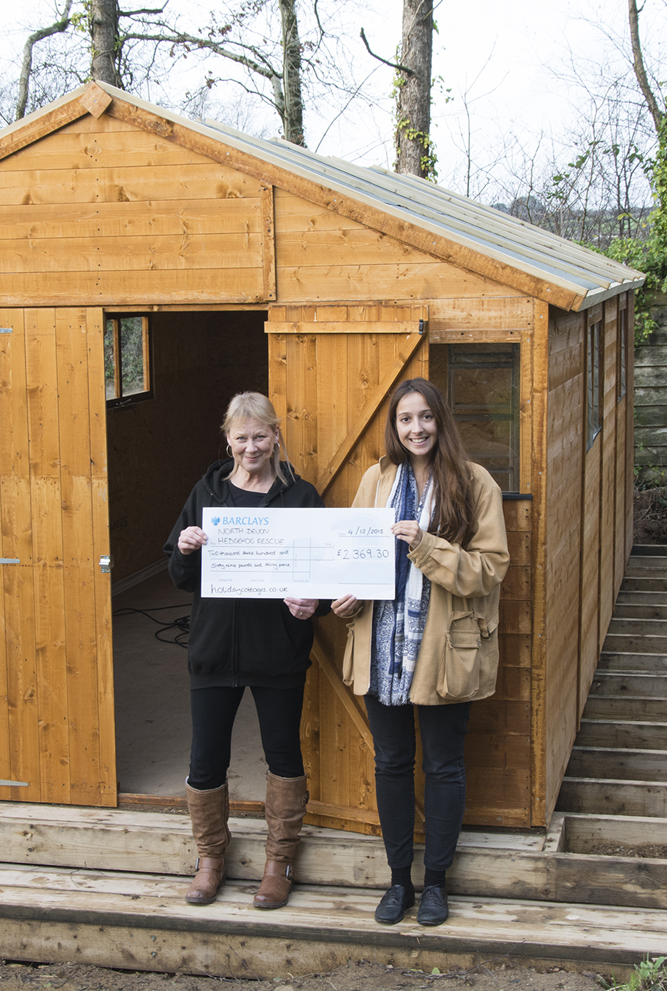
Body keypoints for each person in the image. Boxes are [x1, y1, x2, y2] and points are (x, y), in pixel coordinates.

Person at [330, 378, 509, 927]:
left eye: (426, 417)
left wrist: (427, 546)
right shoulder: (376, 479)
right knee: (390, 764)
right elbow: (352, 554)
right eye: (406, 419)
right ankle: (398, 882)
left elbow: (490, 569)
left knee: (445, 766)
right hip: (382, 647)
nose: (416, 429)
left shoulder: (476, 483)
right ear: (395, 426)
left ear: (441, 421)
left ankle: (436, 884)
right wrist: (346, 593)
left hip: (444, 652)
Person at [164, 392, 323, 910]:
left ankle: (280, 863)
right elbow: (179, 574)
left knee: (283, 756)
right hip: (213, 649)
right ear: (227, 439)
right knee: (205, 758)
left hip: (277, 649)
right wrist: (186, 547)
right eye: (241, 437)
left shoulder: (301, 496)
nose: (250, 447)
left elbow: (321, 575)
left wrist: (313, 604)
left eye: (260, 436)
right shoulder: (208, 492)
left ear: (275, 436)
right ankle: (211, 858)